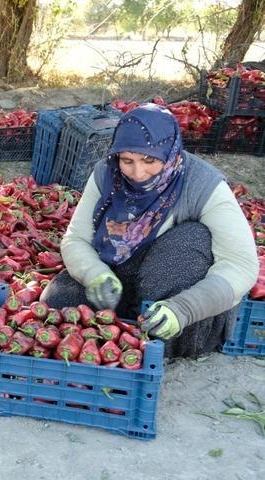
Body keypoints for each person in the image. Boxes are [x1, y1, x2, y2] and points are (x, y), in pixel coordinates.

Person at [40, 104, 258, 358]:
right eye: (127, 160)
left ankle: (163, 336)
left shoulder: (204, 184)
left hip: (174, 283)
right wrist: (94, 274)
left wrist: (184, 308)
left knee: (191, 237)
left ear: (170, 152)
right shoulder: (106, 174)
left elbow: (241, 265)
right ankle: (125, 331)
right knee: (57, 303)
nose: (138, 173)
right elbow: (75, 239)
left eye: (149, 160)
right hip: (123, 270)